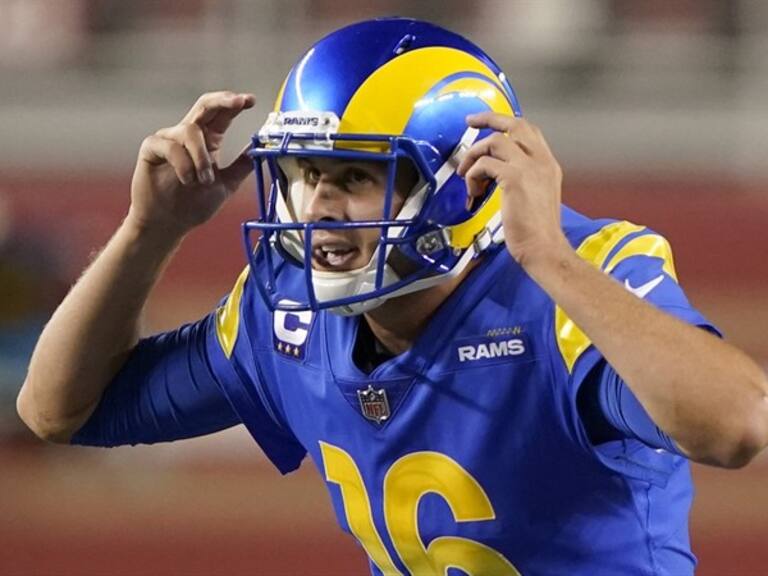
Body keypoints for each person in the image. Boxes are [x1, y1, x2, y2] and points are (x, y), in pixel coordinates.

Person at [17, 17, 768, 575]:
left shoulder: (572, 280)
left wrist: (552, 261)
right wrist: (148, 231)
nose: (315, 207)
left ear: (458, 184)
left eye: (352, 176)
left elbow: (737, 426)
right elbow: (57, 409)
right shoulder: (289, 310)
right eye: (306, 173)